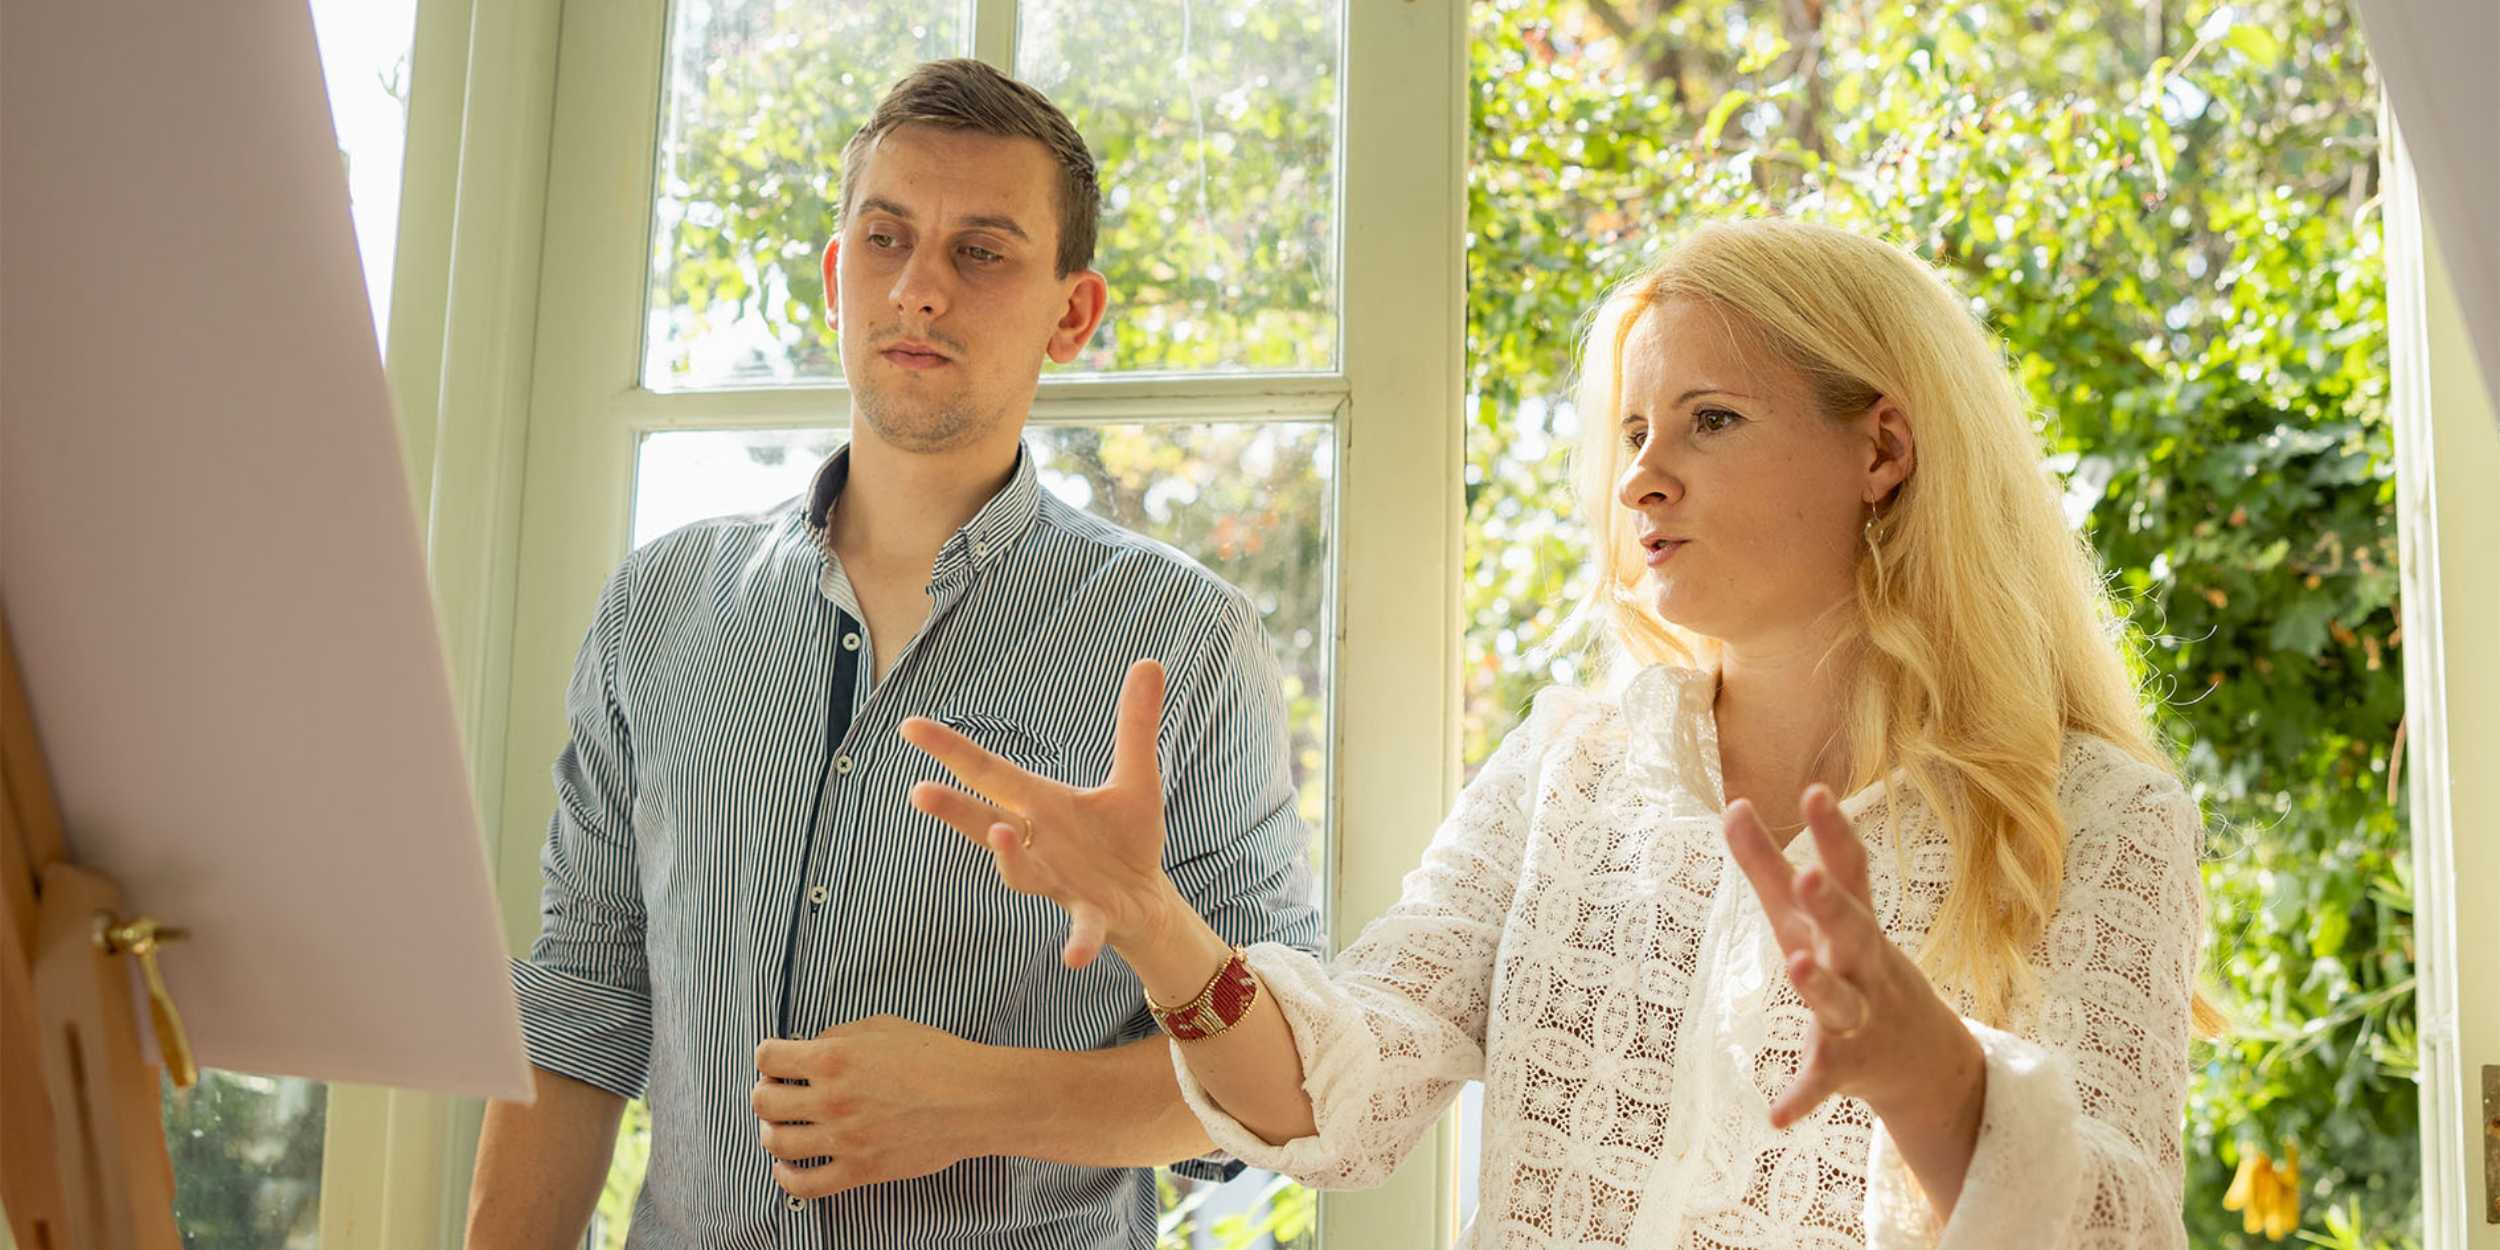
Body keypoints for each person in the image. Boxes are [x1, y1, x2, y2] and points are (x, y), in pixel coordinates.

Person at [903, 218, 2212, 1248]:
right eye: (1635, 428)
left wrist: (1938, 1083)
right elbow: (1345, 1095)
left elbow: (2122, 1226)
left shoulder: (2096, 818)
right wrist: (1154, 922)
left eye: (1712, 419)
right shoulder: (1573, 764)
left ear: (1882, 448)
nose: (1641, 472)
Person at [464, 59, 1322, 1250]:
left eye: (982, 250)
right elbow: (580, 1010)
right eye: (885, 239)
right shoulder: (657, 605)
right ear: (835, 276)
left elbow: (1281, 1086)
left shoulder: (1181, 642)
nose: (919, 288)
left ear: (1072, 313)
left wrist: (982, 1099)